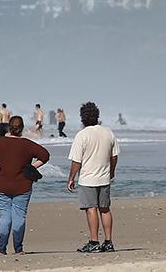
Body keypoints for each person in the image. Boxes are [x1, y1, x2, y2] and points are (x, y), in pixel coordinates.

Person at [0, 116, 50, 255]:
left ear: (9, 128)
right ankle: (18, 249)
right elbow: (45, 155)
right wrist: (32, 167)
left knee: (4, 216)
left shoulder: (0, 143)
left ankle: (2, 249)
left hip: (3, 184)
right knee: (19, 216)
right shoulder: (27, 144)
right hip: (22, 185)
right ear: (22, 128)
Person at [67, 102, 120, 253]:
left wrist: (71, 178)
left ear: (82, 118)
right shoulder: (108, 132)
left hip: (88, 178)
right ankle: (108, 242)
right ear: (97, 116)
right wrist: (112, 171)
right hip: (104, 176)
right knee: (105, 209)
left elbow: (76, 160)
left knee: (91, 209)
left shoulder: (82, 135)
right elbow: (114, 156)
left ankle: (94, 241)